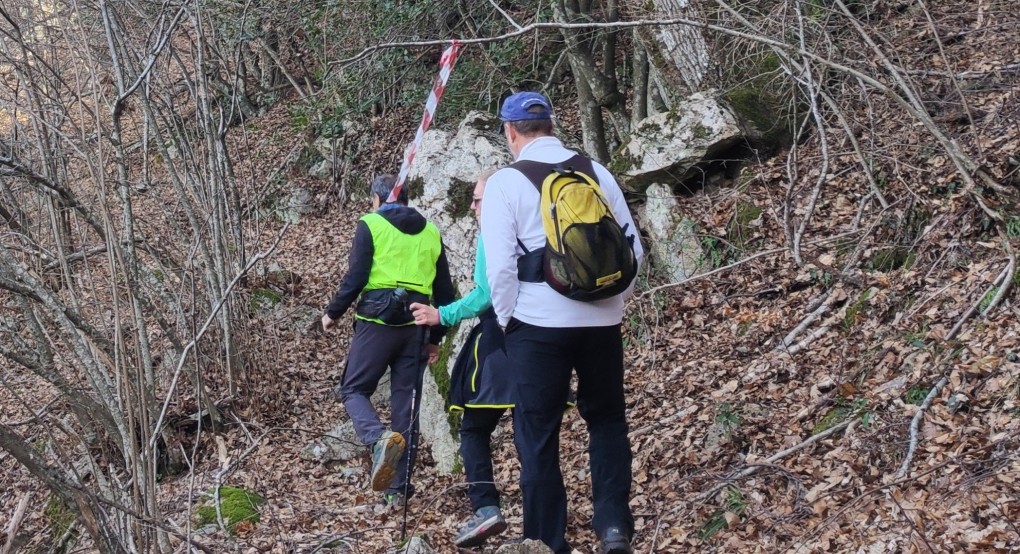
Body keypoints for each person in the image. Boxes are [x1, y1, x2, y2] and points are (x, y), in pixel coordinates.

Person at [480, 92, 644, 554]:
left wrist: (510, 320)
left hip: (537, 323)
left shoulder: (505, 184)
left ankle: (546, 540)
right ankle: (614, 528)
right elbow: (635, 251)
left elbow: (500, 270)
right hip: (602, 323)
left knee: (537, 430)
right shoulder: (596, 172)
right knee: (608, 419)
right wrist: (613, 303)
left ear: (510, 132)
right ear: (551, 125)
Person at [321, 174, 455, 505]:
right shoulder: (431, 230)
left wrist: (332, 313)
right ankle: (398, 491)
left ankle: (378, 438)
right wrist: (435, 336)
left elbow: (356, 277)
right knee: (404, 408)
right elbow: (445, 292)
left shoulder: (371, 224)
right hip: (417, 326)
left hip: (377, 322)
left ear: (379, 199)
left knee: (353, 388)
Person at [409, 171, 515, 548]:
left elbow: (485, 293)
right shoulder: (532, 229)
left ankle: (486, 508)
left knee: (473, 429)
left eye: (477, 199)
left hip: (499, 344)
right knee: (533, 434)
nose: (472, 207)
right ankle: (543, 522)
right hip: (542, 341)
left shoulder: (493, 234)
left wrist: (443, 315)